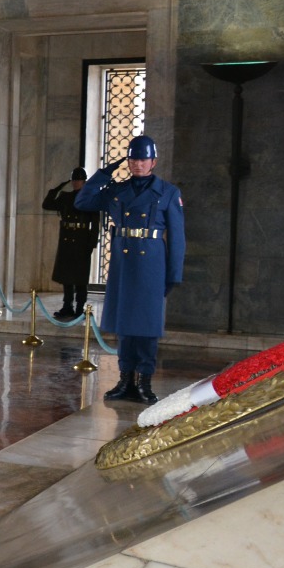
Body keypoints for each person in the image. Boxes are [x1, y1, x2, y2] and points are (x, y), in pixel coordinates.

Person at [75, 134, 185, 405]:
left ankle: (144, 381)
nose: (137, 164)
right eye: (133, 159)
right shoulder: (116, 190)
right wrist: (103, 174)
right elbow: (83, 202)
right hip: (124, 262)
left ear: (153, 162)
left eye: (143, 159)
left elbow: (178, 237)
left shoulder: (168, 192)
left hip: (152, 263)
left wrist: (173, 274)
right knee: (125, 323)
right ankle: (125, 379)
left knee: (147, 326)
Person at [42, 166, 100, 319]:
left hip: (82, 239)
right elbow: (46, 204)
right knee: (66, 276)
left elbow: (95, 223)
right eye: (74, 180)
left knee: (80, 277)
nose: (76, 183)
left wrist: (92, 243)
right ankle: (67, 305)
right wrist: (58, 188)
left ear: (84, 181)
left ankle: (80, 307)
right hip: (66, 238)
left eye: (79, 180)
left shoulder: (90, 198)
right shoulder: (65, 197)